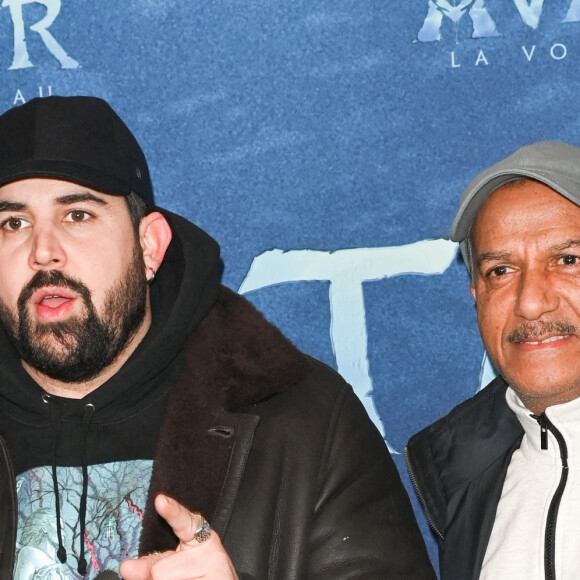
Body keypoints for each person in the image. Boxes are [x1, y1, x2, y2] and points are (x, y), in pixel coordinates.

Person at [0, 95, 435, 580]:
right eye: (12, 223)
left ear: (149, 246)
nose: (42, 251)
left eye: (77, 215)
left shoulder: (306, 424)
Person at [405, 140, 580, 580]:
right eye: (501, 271)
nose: (531, 303)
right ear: (476, 296)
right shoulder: (457, 472)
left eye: (568, 260)